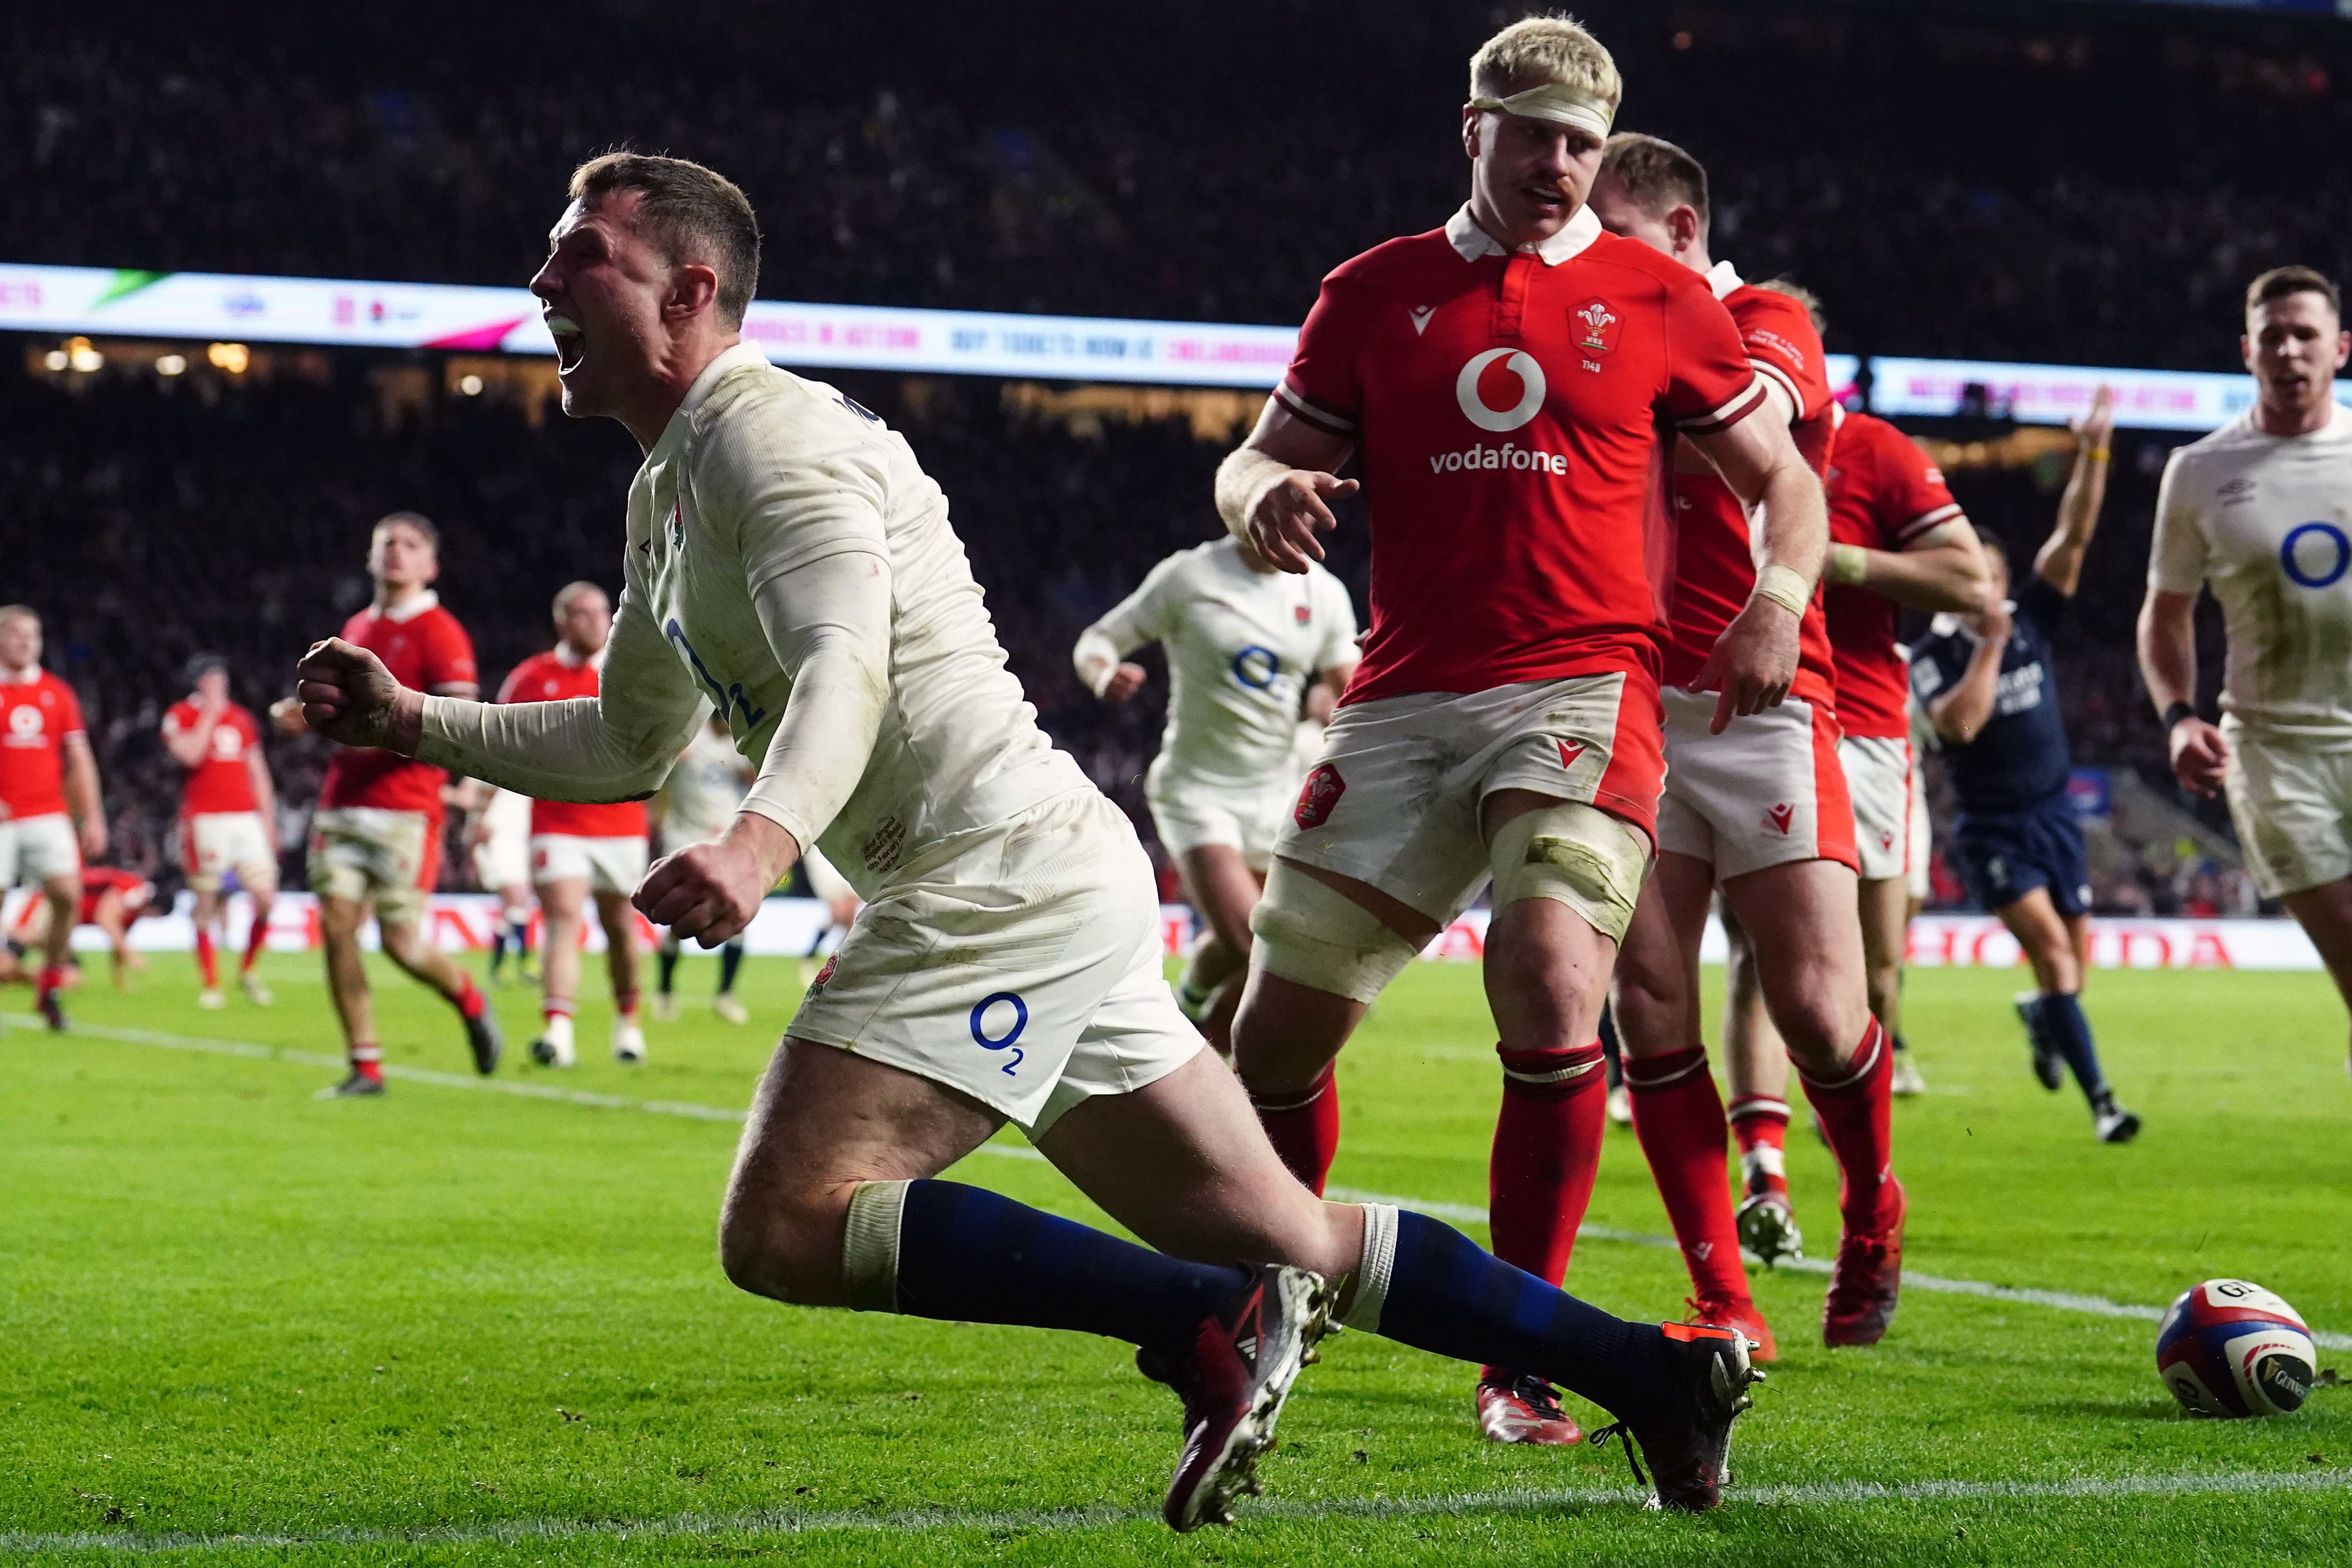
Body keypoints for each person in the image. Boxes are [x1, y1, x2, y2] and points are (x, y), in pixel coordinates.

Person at [292, 144, 1765, 1524]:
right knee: (1298, 1236)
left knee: (789, 1218)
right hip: (1044, 873)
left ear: (687, 290)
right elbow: (622, 739)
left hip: (985, 882)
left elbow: (843, 667)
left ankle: (1195, 1315)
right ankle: (1655, 1367)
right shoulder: (668, 488)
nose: (544, 283)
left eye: (581, 257)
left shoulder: (769, 443)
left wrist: (754, 844)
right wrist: (414, 719)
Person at [1217, 24, 1806, 1446]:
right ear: (1469, 127)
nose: (1557, 166)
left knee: (1549, 982)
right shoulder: (1371, 292)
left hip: (1582, 684)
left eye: (1583, 145)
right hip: (1406, 694)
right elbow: (1260, 451)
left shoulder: (1658, 295)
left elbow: (1778, 476)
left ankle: (1519, 1359)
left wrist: (1777, 599)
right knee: (1268, 1046)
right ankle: (1281, 1288)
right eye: (1532, 134)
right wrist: (1253, 498)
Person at [1585, 134, 1904, 1356]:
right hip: (1631, 704)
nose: (1585, 260)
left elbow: (1751, 418)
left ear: (1677, 232)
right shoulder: (1594, 325)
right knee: (1650, 1006)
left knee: (1822, 1012)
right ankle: (1721, 1296)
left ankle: (1871, 1205)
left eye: (1608, 234)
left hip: (1769, 696)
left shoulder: (1763, 316)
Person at [1718, 407, 1988, 1263]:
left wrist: (1831, 560)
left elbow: (1969, 584)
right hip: (1757, 718)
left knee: (1868, 974)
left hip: (1867, 727)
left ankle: (1859, 1178)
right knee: (1762, 959)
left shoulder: (1877, 450)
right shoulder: (1700, 429)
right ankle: (1765, 1173)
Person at [1913, 388, 2140, 1142]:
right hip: (1992, 829)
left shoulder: (2032, 617)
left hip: (2055, 816)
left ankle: (2042, 1015)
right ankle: (2104, 1103)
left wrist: (2095, 451)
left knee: (2071, 968)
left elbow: (2072, 536)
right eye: (1969, 577)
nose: (1985, 588)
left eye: (1993, 576)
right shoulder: (1936, 653)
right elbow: (1963, 722)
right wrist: (1987, 640)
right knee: (2050, 952)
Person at [2141, 266, 2352, 1065]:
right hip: (2273, 752)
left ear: (2339, 349)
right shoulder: (2200, 472)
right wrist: (2177, 716)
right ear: (2246, 351)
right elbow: (2164, 614)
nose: (2289, 350)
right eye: (2273, 336)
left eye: (2305, 335)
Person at [1073, 534, 1357, 1053]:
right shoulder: (1191, 577)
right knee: (1260, 948)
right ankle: (1200, 1065)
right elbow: (1097, 640)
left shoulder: (1323, 594)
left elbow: (1350, 688)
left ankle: (1190, 1009)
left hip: (1276, 797)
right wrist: (1103, 675)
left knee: (1241, 948)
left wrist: (1340, 707)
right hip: (1198, 792)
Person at [270, 513, 502, 1096]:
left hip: (406, 807)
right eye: (387, 544)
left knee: (401, 945)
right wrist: (301, 716)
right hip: (341, 805)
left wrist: (462, 788)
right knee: (337, 927)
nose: (396, 552)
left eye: (410, 544)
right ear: (371, 559)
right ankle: (365, 1064)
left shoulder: (441, 630)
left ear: (431, 565)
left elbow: (461, 718)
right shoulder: (355, 627)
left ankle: (468, 997)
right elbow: (343, 712)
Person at [498, 581, 651, 1067]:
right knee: (563, 921)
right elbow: (498, 740)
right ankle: (558, 1033)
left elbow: (671, 740)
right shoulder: (531, 677)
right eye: (582, 614)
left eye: (601, 612)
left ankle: (628, 1024)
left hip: (622, 825)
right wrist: (484, 811)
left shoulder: (630, 673)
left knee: (620, 928)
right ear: (561, 621)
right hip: (557, 822)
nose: (595, 621)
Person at [0, 605, 107, 1031]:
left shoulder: (57, 693)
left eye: (32, 635)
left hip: (48, 812)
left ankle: (50, 985)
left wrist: (93, 816)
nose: (25, 641)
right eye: (15, 633)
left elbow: (80, 758)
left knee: (67, 894)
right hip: (4, 817)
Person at [161, 654, 280, 1008]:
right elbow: (190, 756)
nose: (219, 686)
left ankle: (248, 970)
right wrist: (210, 714)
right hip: (204, 819)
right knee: (207, 900)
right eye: (211, 679)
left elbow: (257, 771)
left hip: (246, 820)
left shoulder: (242, 718)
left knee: (266, 898)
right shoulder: (180, 714)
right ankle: (211, 982)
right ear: (198, 683)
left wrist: (268, 820)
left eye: (222, 679)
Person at [654, 711, 757, 1023]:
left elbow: (756, 777)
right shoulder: (690, 741)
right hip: (686, 837)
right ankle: (665, 991)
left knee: (738, 915)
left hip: (726, 836)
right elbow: (660, 773)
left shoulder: (738, 745)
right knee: (681, 915)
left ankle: (725, 995)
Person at [4, 865, 157, 990]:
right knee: (19, 948)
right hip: (46, 907)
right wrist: (132, 956)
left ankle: (14, 974)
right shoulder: (136, 891)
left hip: (59, 925)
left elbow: (118, 938)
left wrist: (120, 981)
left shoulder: (133, 910)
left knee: (72, 979)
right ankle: (9, 971)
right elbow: (106, 918)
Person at [465, 782, 538, 985]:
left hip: (520, 838)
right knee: (515, 896)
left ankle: (500, 966)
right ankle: (526, 962)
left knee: (516, 906)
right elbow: (485, 792)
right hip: (497, 835)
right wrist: (480, 823)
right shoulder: (507, 761)